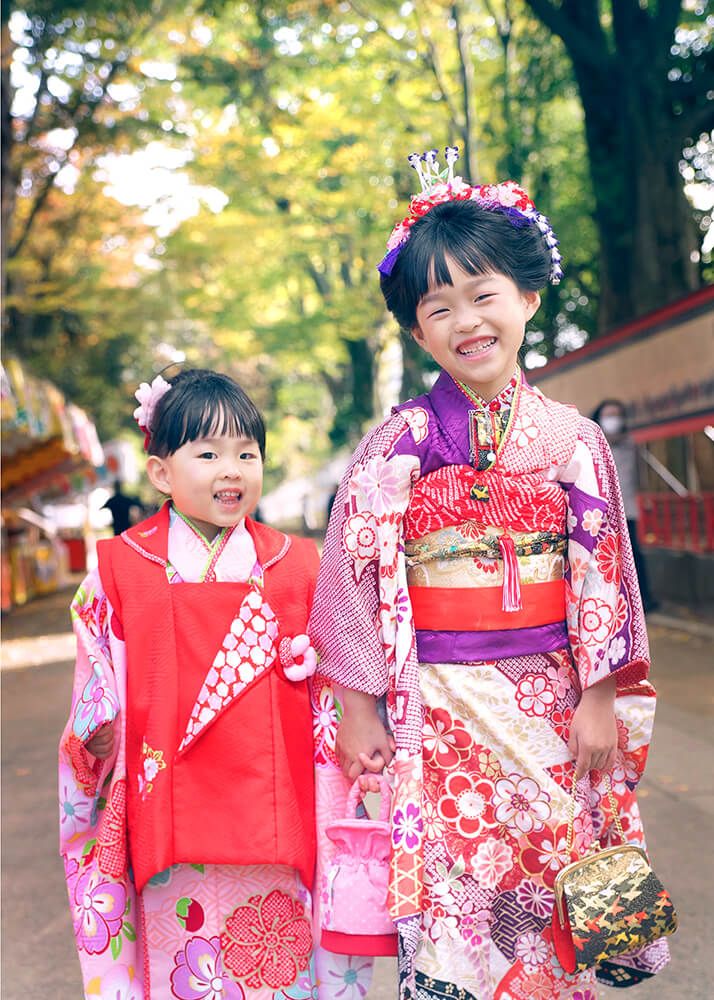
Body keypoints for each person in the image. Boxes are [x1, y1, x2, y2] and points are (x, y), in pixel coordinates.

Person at [309, 148, 669, 999]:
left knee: (554, 881)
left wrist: (600, 695)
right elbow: (349, 571)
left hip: (552, 700)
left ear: (527, 299)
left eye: (484, 295)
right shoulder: (397, 441)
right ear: (417, 328)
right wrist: (358, 707)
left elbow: (604, 571)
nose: (467, 321)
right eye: (439, 307)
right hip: (438, 708)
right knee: (450, 900)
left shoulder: (572, 440)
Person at [59, 369, 351, 998]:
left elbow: (333, 688)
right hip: (164, 810)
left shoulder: (299, 567)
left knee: (274, 958)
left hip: (276, 812)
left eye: (248, 453)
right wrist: (97, 733)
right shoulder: (119, 570)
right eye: (209, 453)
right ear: (162, 473)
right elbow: (95, 687)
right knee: (180, 965)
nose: (233, 470)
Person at [592, 399, 658, 613]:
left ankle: (643, 600)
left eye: (616, 415)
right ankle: (608, 602)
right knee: (603, 558)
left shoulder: (631, 445)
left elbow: (640, 476)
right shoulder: (591, 443)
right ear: (599, 418)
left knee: (634, 557)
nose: (613, 420)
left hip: (628, 510)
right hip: (598, 513)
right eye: (608, 415)